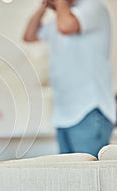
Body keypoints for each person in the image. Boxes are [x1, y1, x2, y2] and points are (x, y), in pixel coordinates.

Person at [23, 0, 116, 157]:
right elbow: (29, 36)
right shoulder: (56, 22)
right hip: (64, 115)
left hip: (89, 111)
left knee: (89, 178)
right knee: (70, 179)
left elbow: (66, 27)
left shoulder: (93, 7)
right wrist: (44, 6)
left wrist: (60, 2)